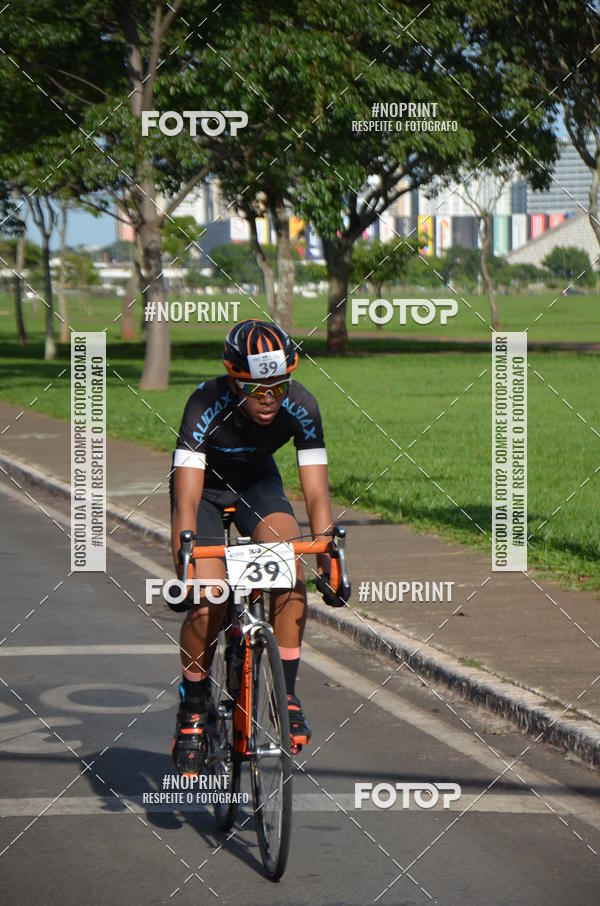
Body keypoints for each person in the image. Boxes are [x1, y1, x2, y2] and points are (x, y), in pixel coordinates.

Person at [169, 318, 341, 774]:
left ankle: (285, 694)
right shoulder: (204, 403)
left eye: (277, 388)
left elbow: (318, 495)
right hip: (203, 493)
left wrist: (330, 558)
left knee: (289, 564)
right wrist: (184, 569)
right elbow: (185, 500)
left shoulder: (302, 405)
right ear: (233, 379)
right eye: (255, 390)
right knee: (209, 603)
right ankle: (193, 704)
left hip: (257, 488)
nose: (268, 400)